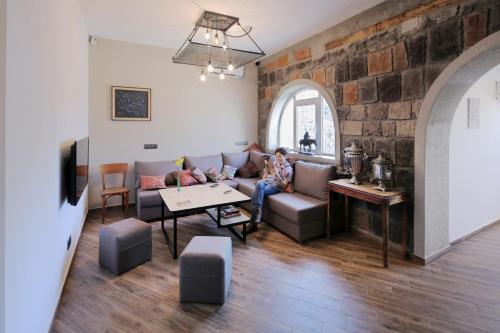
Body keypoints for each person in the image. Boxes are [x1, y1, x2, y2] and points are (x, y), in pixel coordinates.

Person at [246, 147, 293, 234]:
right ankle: (258, 212)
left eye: (280, 156)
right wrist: (267, 173)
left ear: (285, 156)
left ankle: (253, 223)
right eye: (276, 156)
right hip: (268, 181)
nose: (278, 158)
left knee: (255, 193)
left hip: (276, 186)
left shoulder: (289, 169)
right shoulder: (275, 163)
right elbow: (268, 176)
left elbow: (284, 184)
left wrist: (277, 174)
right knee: (259, 184)